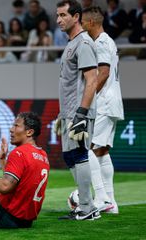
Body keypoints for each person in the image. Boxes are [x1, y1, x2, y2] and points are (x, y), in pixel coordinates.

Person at [54, 0, 99, 220]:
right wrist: (62, 113)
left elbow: (92, 80)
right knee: (69, 155)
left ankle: (87, 207)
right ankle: (87, 203)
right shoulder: (72, 44)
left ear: (76, 16)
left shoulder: (84, 43)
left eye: (63, 15)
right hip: (69, 112)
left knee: (79, 153)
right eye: (58, 16)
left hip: (79, 112)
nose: (59, 20)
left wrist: (81, 113)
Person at [82, 6, 124, 214]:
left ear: (90, 23)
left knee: (87, 148)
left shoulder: (100, 43)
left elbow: (104, 72)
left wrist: (88, 98)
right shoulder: (109, 41)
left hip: (104, 102)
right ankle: (111, 202)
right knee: (102, 150)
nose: (80, 26)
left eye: (82, 22)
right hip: (112, 101)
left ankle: (100, 198)